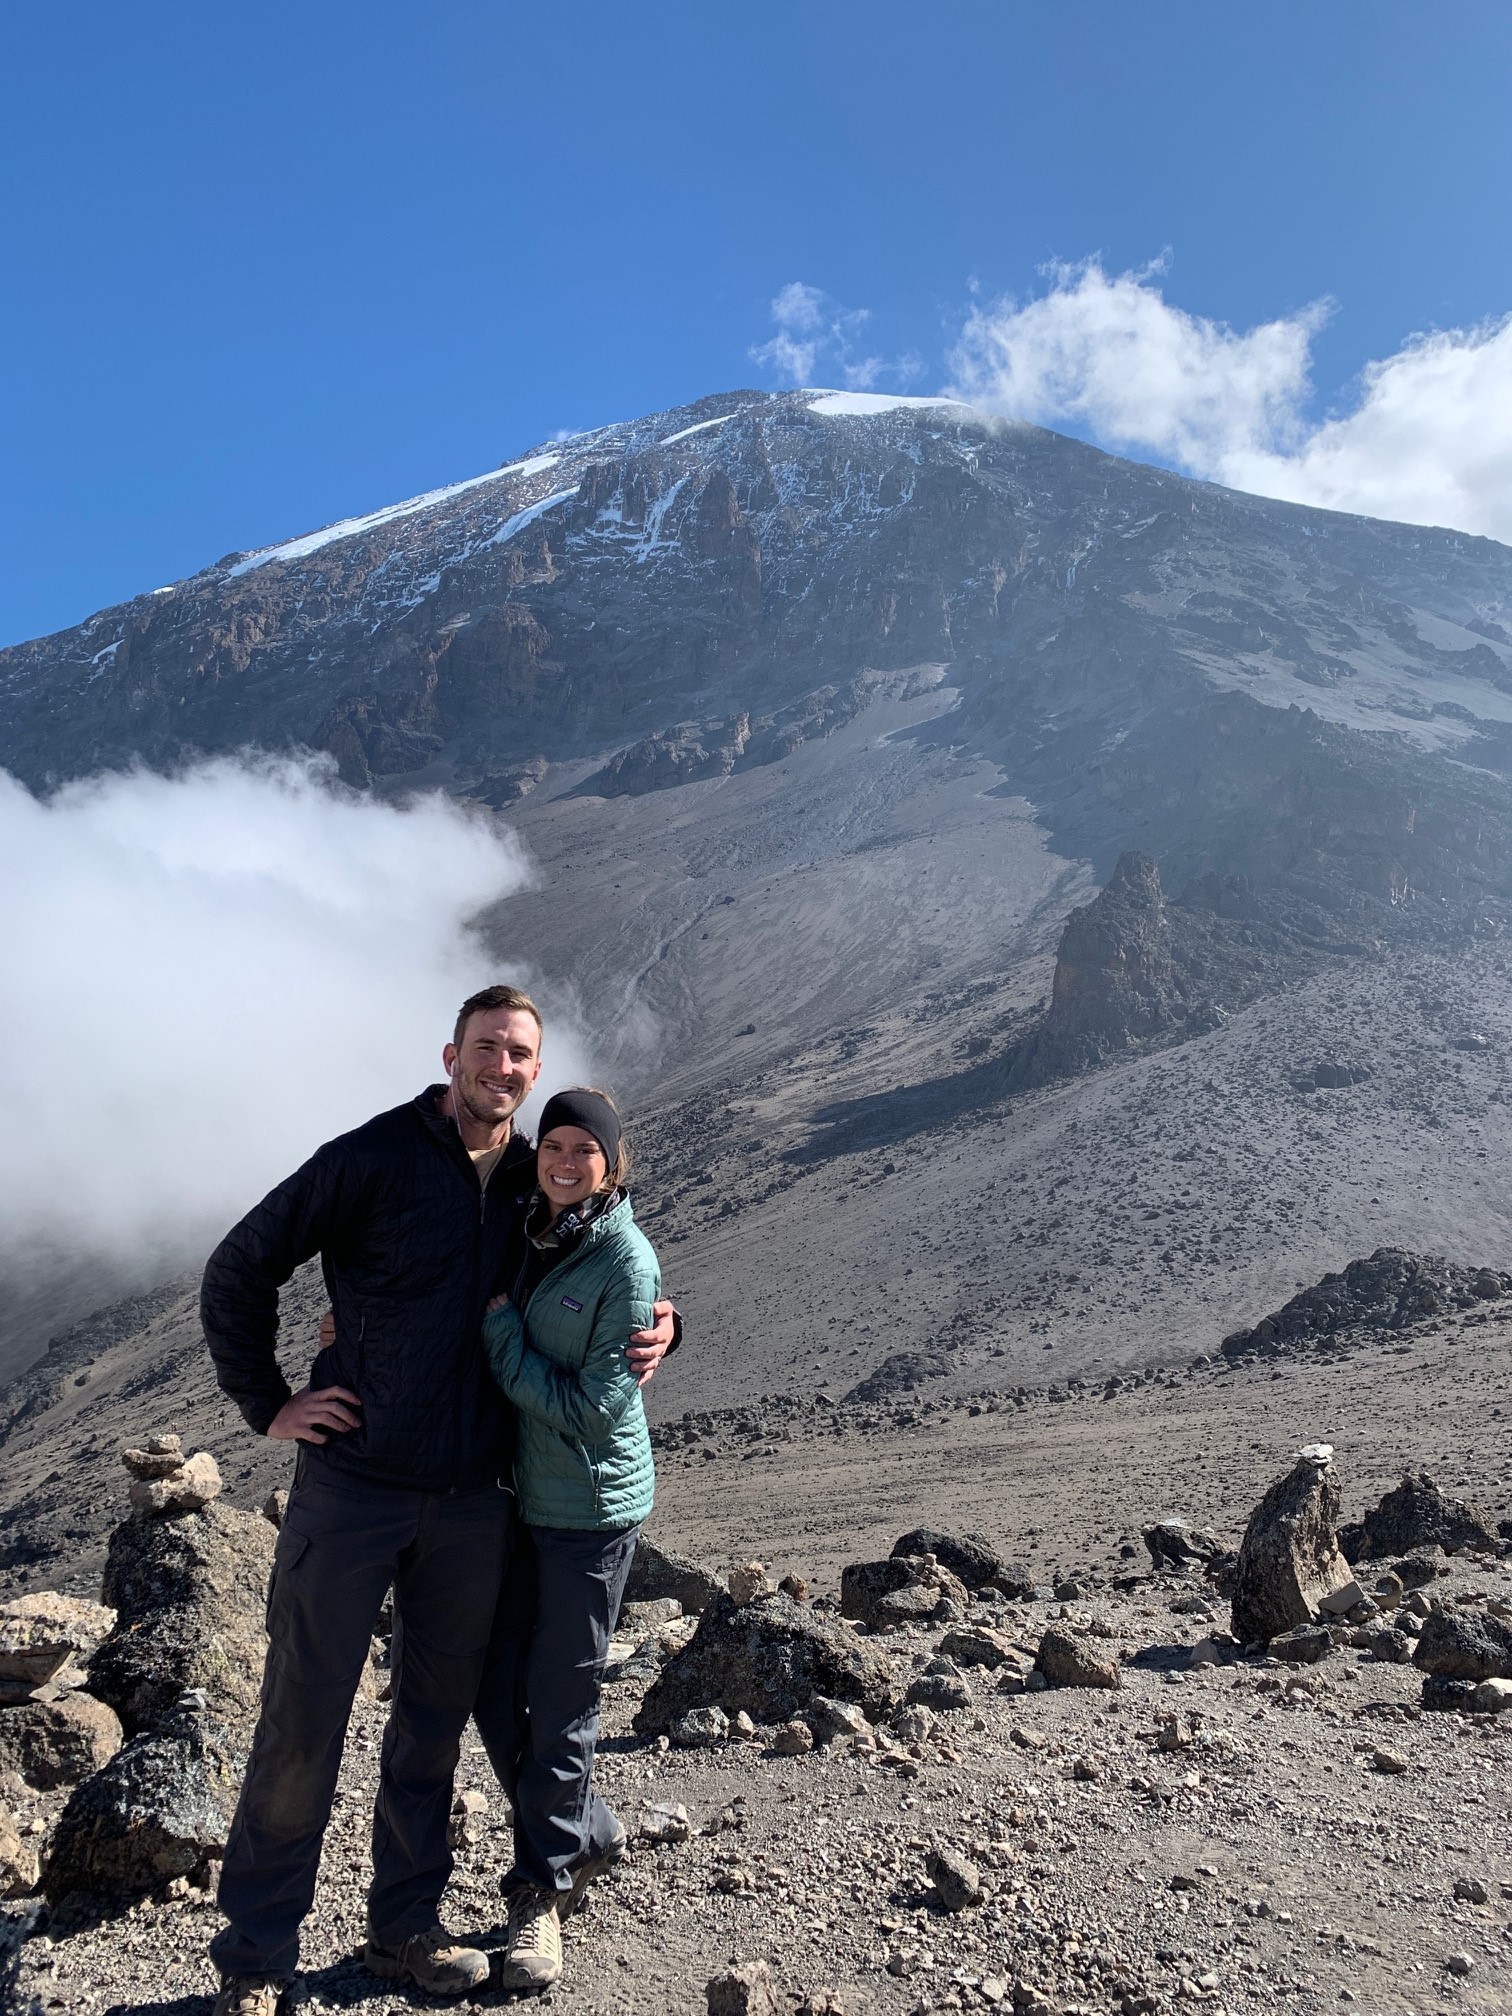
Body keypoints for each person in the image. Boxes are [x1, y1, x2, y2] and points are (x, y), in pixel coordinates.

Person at [199, 987, 677, 2016]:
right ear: (451, 1053)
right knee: (302, 1718)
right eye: (489, 1049)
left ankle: (403, 1928)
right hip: (353, 1487)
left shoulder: (529, 1177)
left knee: (429, 1728)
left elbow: (609, 1261)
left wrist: (669, 1324)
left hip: (471, 1499)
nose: (503, 1068)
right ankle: (255, 1956)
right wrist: (271, 1403)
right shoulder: (369, 1157)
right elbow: (241, 1265)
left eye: (522, 1057)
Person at [478, 1087, 660, 1994]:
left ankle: (542, 1892)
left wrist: (505, 1336)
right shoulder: (536, 1228)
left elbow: (592, 1414)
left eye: (587, 1149)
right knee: (493, 1689)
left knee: (559, 1701)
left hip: (586, 1513)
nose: (565, 1161)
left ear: (612, 1165)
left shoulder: (624, 1260)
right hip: (521, 1503)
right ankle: (586, 1833)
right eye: (554, 1143)